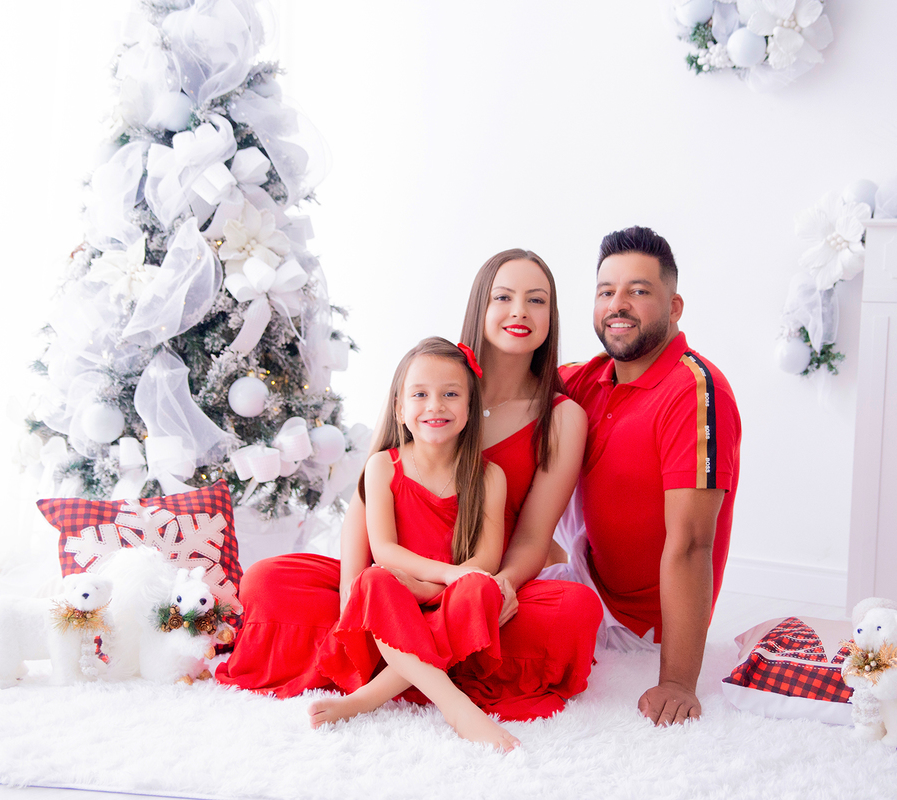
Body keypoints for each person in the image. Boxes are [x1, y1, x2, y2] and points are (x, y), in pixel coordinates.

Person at [216, 249, 600, 722]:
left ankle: (405, 663)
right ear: (479, 305)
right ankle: (414, 654)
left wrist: (493, 589)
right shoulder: (434, 378)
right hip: (391, 582)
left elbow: (533, 537)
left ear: (552, 315)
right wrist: (352, 596)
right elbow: (367, 504)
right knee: (266, 582)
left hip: (475, 586)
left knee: (575, 610)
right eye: (503, 297)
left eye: (536, 300)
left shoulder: (562, 417)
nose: (519, 310)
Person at [549, 226, 741, 728]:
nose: (618, 304)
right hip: (584, 578)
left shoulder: (694, 390)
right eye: (606, 292)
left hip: (637, 628)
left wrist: (677, 681)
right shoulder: (585, 377)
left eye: (637, 291)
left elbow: (693, 543)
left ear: (674, 307)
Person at [309, 337, 518, 750]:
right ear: (399, 409)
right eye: (420, 394)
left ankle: (368, 698)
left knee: (484, 586)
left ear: (470, 406)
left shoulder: (490, 476)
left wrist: (430, 588)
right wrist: (437, 578)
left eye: (450, 394)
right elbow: (384, 550)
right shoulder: (382, 465)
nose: (435, 406)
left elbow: (486, 559)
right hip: (394, 603)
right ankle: (456, 708)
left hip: (452, 602)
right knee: (373, 580)